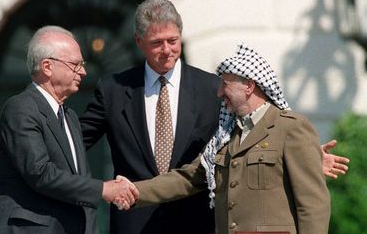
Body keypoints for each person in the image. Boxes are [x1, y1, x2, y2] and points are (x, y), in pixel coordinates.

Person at [0, 0, 348, 234]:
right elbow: (71, 142)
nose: (167, 50)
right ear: (139, 43)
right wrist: (13, 154)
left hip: (196, 221)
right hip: (133, 220)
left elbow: (244, 141)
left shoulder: (209, 86)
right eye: (156, 43)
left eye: (173, 41)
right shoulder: (115, 88)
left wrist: (309, 158)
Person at [118, 44, 331, 234]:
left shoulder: (290, 128)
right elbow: (188, 178)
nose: (219, 93)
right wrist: (135, 191)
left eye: (225, 85)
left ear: (249, 86)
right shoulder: (225, 135)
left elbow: (313, 204)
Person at [0, 25, 138, 234]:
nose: (84, 71)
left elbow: (78, 181)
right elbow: (40, 172)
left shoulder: (70, 117)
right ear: (47, 66)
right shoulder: (21, 107)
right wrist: (104, 189)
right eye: (75, 65)